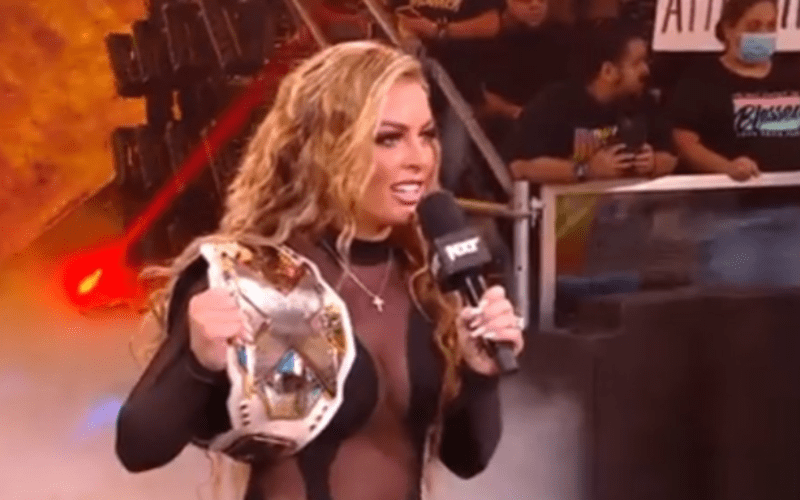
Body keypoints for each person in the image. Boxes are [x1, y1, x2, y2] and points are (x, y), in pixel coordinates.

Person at [114, 40, 524, 500]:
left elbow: (468, 459)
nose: (420, 158)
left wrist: (479, 377)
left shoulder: (426, 281)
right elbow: (138, 447)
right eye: (389, 138)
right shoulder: (253, 275)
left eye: (427, 135)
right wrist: (197, 363)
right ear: (329, 149)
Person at [504, 18, 676, 185]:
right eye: (637, 63)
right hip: (563, 202)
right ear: (608, 71)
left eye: (645, 61)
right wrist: (586, 170)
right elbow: (519, 167)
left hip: (628, 201)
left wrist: (653, 163)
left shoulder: (643, 101)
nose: (646, 70)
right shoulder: (555, 103)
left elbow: (671, 157)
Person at [669, 0, 800, 180]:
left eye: (771, 26)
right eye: (753, 27)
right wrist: (727, 168)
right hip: (728, 193)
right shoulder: (701, 78)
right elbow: (685, 143)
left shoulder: (792, 75)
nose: (764, 34)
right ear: (728, 29)